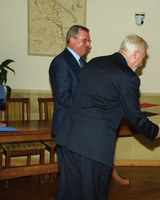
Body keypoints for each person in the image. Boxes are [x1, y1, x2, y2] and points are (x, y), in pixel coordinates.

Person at [54, 34, 160, 200]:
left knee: (73, 193)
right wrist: (154, 130)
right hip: (93, 146)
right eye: (142, 58)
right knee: (93, 194)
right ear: (135, 54)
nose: (141, 63)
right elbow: (135, 116)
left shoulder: (94, 62)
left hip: (68, 137)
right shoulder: (128, 78)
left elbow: (76, 97)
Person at [49, 25, 91, 200]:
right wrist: (90, 106)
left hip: (79, 129)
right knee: (68, 177)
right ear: (72, 40)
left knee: (77, 177)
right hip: (67, 128)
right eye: (84, 40)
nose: (88, 44)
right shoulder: (61, 62)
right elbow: (63, 97)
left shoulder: (83, 64)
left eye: (89, 41)